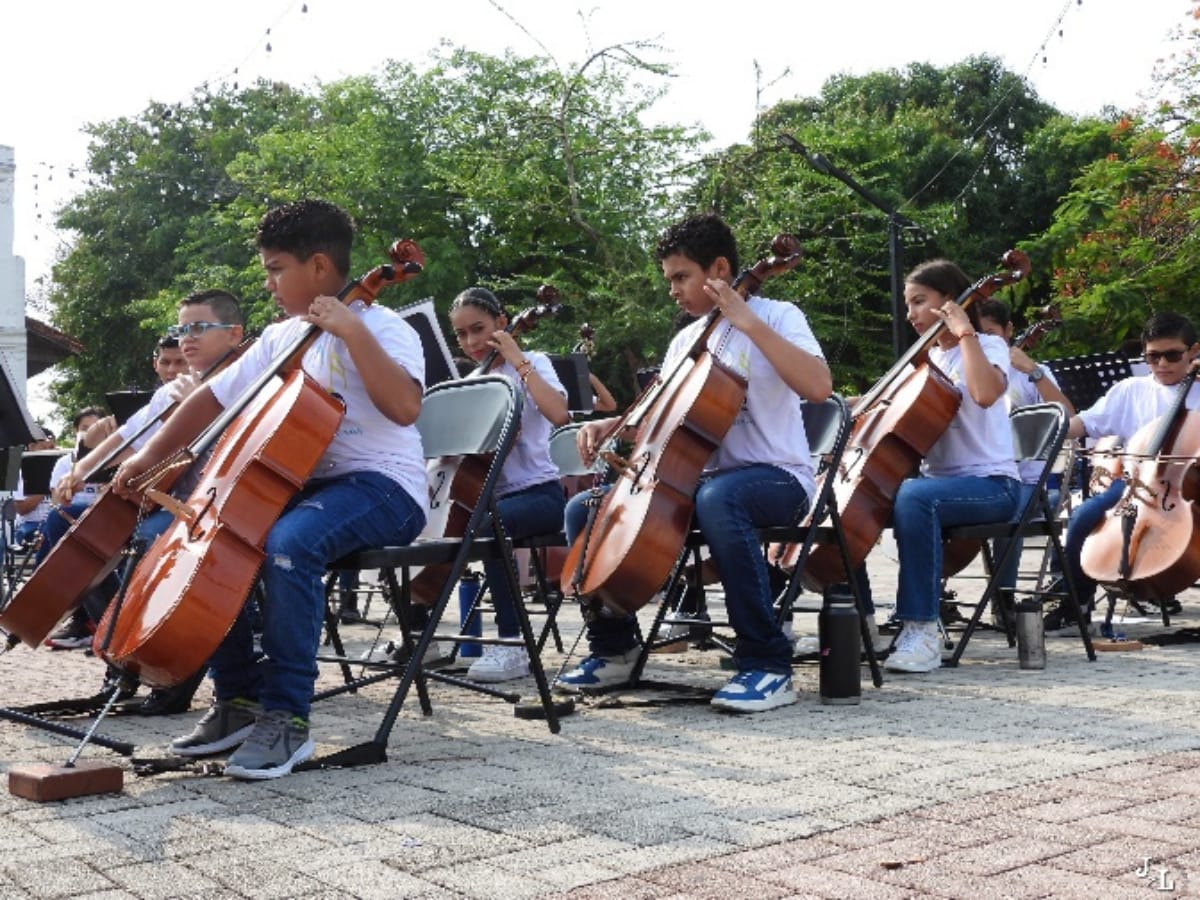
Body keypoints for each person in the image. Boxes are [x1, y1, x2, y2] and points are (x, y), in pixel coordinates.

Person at [112, 198, 428, 780]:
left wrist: (352, 331)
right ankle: (237, 699)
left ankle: (288, 717)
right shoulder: (280, 336)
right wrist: (149, 455)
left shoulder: (386, 327)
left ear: (317, 267)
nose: (268, 282)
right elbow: (209, 398)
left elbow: (406, 408)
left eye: (276, 268)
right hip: (308, 486)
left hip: (386, 487)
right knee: (202, 538)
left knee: (289, 543)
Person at [556, 212, 832, 713]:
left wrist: (747, 321)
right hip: (698, 484)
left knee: (719, 498)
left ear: (720, 269)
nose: (673, 291)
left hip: (778, 479)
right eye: (669, 280)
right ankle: (615, 647)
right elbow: (662, 419)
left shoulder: (778, 315)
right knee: (583, 511)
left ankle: (767, 662)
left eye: (681, 277)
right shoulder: (687, 340)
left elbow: (818, 387)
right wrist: (613, 426)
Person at [881, 260, 1022, 674]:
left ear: (951, 301)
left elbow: (983, 394)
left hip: (993, 485)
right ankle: (856, 618)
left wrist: (964, 331)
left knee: (914, 496)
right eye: (908, 304)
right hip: (937, 488)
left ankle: (922, 629)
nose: (910, 314)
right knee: (844, 503)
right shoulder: (924, 362)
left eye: (919, 301)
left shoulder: (985, 347)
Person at [1042, 311, 1200, 632]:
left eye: (1172, 355)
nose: (1162, 365)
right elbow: (1085, 423)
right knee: (1084, 517)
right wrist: (1045, 433)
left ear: (1193, 351)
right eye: (1153, 357)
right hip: (1136, 484)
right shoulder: (1130, 390)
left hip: (1191, 485)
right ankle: (1077, 601)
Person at [446, 286, 570, 682]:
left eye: (478, 329)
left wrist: (518, 362)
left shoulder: (533, 362)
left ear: (503, 323)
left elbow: (560, 414)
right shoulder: (474, 379)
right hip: (487, 498)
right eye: (461, 334)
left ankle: (512, 644)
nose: (471, 342)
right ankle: (423, 635)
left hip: (540, 494)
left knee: (488, 525)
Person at [976, 299, 1075, 613]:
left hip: (1027, 481)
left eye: (991, 333)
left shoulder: (1031, 373)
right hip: (979, 475)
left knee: (1009, 513)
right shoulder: (967, 370)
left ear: (1008, 331)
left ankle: (1002, 599)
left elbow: (1068, 417)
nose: (984, 341)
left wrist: (1032, 370)